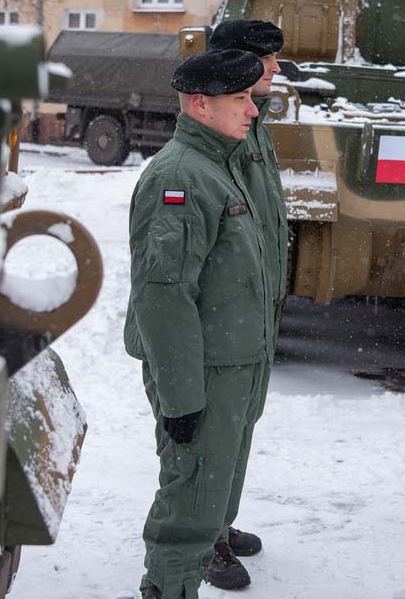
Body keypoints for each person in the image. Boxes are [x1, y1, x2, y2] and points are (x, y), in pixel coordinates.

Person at [124, 49, 274, 599]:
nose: (252, 112)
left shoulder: (217, 166)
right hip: (202, 371)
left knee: (209, 495)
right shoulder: (181, 177)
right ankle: (168, 589)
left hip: (228, 364)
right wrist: (182, 399)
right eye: (240, 100)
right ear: (200, 104)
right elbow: (163, 298)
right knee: (190, 501)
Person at [199, 19, 287, 590]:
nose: (277, 70)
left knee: (240, 425)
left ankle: (220, 523)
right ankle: (200, 539)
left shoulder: (253, 124)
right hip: (225, 316)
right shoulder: (222, 130)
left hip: (256, 309)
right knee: (212, 435)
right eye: (269, 60)